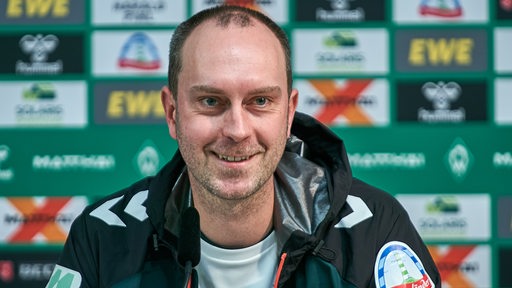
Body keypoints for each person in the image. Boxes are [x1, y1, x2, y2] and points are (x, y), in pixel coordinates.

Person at [46, 5, 441, 288]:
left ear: (289, 115)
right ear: (171, 113)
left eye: (260, 102)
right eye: (211, 101)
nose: (236, 129)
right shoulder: (103, 235)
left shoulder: (373, 232)